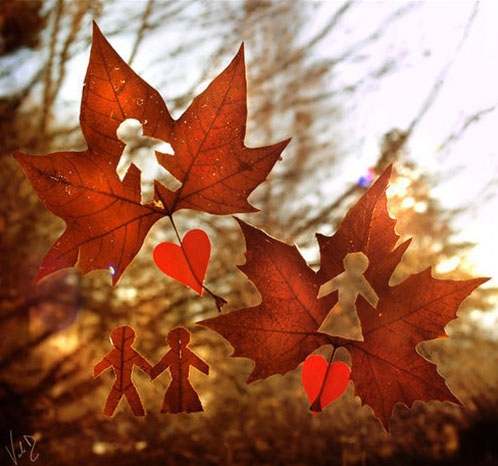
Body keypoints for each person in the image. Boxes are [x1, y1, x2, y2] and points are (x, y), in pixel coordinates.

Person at [116, 118, 182, 204]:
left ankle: (149, 200)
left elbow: (158, 144)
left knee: (164, 180)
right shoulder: (131, 148)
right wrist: (120, 173)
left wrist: (168, 149)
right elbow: (123, 163)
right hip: (150, 170)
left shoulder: (142, 142)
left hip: (154, 167)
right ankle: (148, 201)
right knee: (156, 182)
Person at [93, 325, 152, 417]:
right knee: (130, 401)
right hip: (123, 382)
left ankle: (139, 416)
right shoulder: (121, 353)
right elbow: (102, 365)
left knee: (131, 401)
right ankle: (139, 415)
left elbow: (143, 365)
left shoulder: (126, 353)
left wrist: (95, 372)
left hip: (124, 382)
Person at [318, 252, 379, 336]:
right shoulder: (347, 278)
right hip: (342, 310)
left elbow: (371, 296)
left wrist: (378, 305)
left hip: (345, 310)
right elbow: (327, 287)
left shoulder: (357, 280)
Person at [151, 327, 209, 413]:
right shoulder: (172, 354)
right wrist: (152, 373)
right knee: (173, 399)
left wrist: (152, 373)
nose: (179, 343)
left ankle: (186, 411)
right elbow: (160, 367)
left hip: (183, 382)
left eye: (181, 340)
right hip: (176, 382)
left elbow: (202, 365)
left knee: (189, 400)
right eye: (175, 341)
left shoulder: (186, 354)